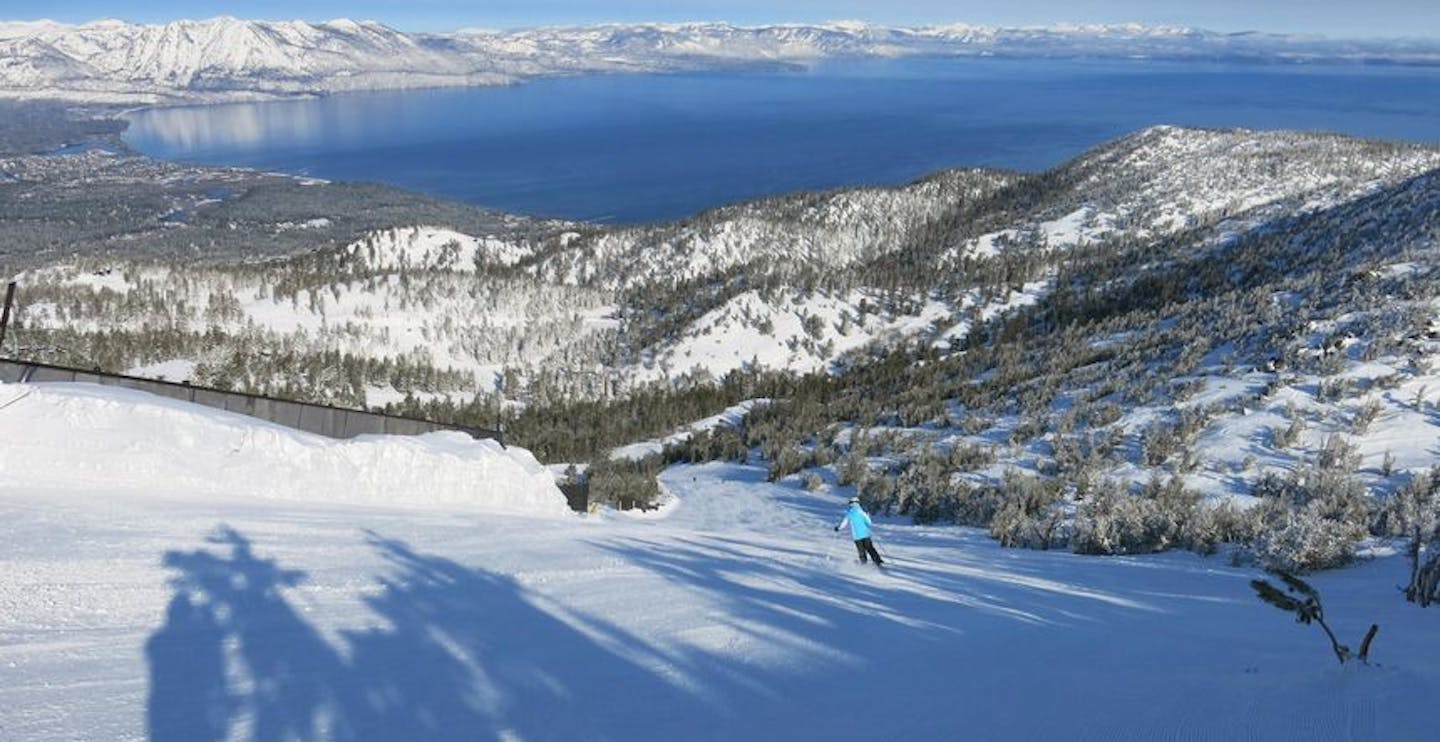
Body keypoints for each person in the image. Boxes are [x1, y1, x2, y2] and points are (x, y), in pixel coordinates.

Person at [835, 496, 884, 567]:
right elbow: (869, 522)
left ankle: (863, 563)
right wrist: (867, 521)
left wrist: (838, 528)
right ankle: (877, 561)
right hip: (865, 534)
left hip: (856, 536)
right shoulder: (862, 512)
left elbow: (844, 523)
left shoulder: (849, 513)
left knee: (861, 550)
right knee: (870, 548)